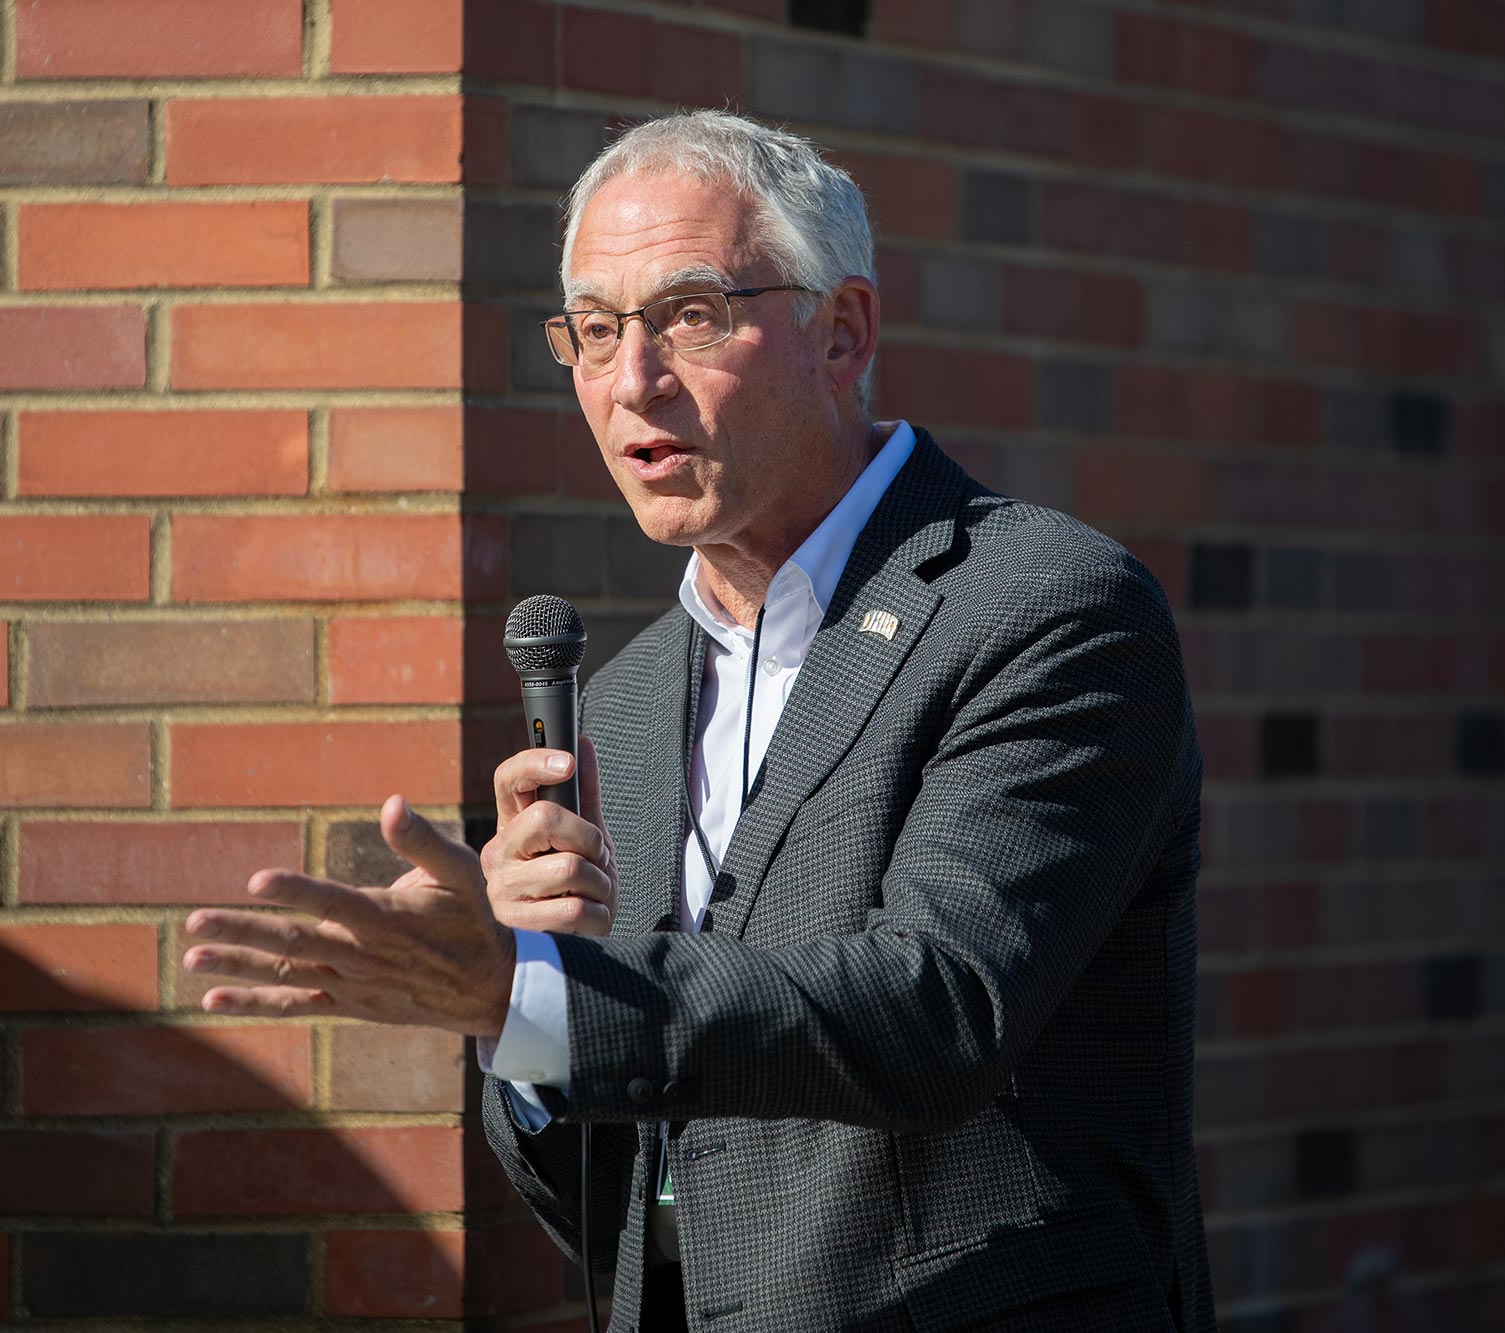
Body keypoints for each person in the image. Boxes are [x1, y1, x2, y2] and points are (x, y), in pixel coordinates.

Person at [183, 109, 1213, 1333]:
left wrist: (531, 993)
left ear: (842, 333)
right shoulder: (616, 701)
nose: (632, 381)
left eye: (690, 316)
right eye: (596, 330)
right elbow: (609, 1211)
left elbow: (936, 1007)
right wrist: (525, 999)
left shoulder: (1041, 608)